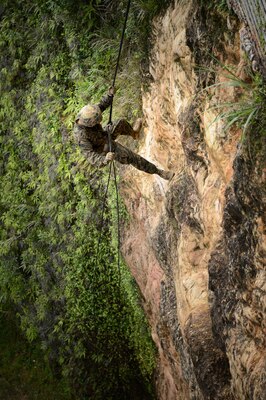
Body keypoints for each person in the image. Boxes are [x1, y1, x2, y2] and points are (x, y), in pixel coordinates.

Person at [73, 88, 174, 180]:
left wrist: (109, 95)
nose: (98, 123)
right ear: (89, 123)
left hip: (104, 135)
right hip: (105, 149)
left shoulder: (88, 112)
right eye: (96, 123)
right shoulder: (81, 136)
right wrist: (105, 159)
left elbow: (101, 106)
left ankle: (134, 133)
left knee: (120, 123)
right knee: (131, 157)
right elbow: (90, 156)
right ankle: (159, 172)